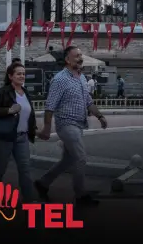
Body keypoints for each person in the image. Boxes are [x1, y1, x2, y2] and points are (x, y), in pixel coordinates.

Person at [35, 46, 107, 206]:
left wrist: (100, 116)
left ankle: (43, 183)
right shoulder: (60, 79)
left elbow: (88, 101)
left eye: (81, 55)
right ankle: (80, 195)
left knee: (68, 160)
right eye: (77, 56)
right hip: (66, 124)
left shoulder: (81, 78)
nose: (80, 58)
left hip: (79, 124)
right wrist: (46, 128)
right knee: (81, 158)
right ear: (67, 60)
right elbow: (50, 105)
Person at [0, 62, 36, 201]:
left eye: (23, 74)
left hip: (22, 137)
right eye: (18, 74)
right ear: (10, 76)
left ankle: (29, 200)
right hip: (5, 136)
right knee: (1, 168)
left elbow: (28, 114)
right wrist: (8, 110)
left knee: (25, 169)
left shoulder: (25, 92)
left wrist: (33, 130)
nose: (22, 76)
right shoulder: (3, 92)